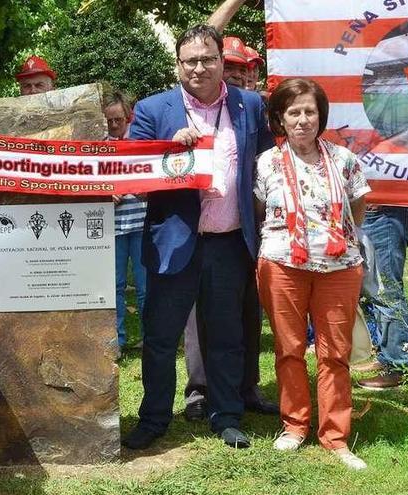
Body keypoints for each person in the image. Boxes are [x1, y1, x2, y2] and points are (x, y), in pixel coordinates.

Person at [121, 24, 274, 451]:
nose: (200, 68)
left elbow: (265, 169)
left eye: (209, 59)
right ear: (178, 65)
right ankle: (153, 419)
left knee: (226, 335)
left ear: (223, 62)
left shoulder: (249, 105)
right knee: (159, 338)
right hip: (174, 243)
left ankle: (226, 416)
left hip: (229, 242)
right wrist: (168, 150)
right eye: (191, 60)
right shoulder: (154, 110)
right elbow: (134, 177)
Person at [254, 78, 370, 470]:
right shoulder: (266, 162)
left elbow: (358, 208)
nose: (303, 119)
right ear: (280, 119)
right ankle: (295, 425)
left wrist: (332, 238)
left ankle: (335, 436)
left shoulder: (344, 159)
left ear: (321, 116)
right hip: (282, 266)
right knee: (288, 349)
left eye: (310, 111)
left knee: (334, 354)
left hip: (338, 269)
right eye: (294, 112)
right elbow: (260, 213)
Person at [181, 33, 280, 420]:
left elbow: (267, 162)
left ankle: (246, 386)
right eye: (233, 68)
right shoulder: (180, 105)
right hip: (193, 233)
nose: (236, 76)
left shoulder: (253, 107)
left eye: (242, 69)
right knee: (198, 318)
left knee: (246, 313)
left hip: (244, 232)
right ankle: (200, 390)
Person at [356, 206, 408, 389]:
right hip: (378, 211)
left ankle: (399, 366)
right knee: (377, 289)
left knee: (387, 291)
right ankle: (387, 357)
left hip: (388, 212)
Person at [104, 93, 146, 348]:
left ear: (128, 116)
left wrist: (147, 190)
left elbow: (158, 176)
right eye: (108, 121)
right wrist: (105, 194)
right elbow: (90, 181)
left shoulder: (141, 143)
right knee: (114, 285)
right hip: (114, 227)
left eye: (118, 119)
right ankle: (117, 340)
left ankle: (148, 337)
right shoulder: (98, 146)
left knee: (145, 286)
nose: (114, 125)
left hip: (141, 224)